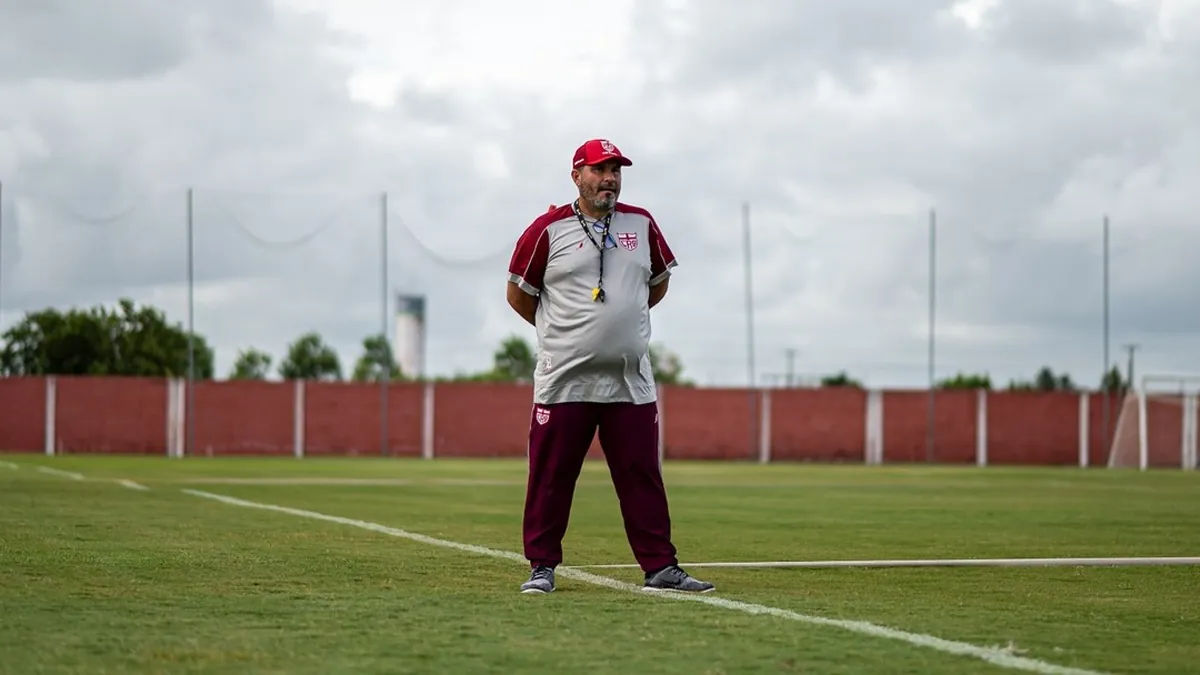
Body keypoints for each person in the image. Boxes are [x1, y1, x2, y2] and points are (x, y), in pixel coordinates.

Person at [505, 138, 715, 595]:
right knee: (551, 477)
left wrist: (622, 326)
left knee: (642, 476)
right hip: (564, 379)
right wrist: (563, 335)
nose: (610, 179)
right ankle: (542, 566)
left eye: (616, 170)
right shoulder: (547, 229)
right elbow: (519, 294)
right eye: (600, 170)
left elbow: (655, 285)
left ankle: (660, 568)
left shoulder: (641, 224)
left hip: (629, 380)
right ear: (576, 175)